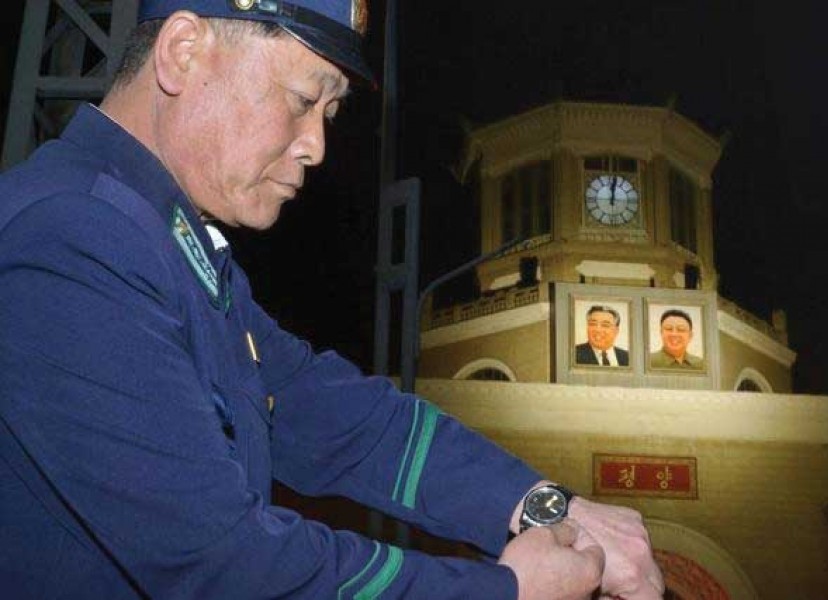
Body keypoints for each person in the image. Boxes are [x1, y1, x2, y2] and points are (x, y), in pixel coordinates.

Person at [0, 1, 664, 598]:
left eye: (332, 112)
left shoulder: (158, 239)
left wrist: (543, 505)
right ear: (183, 52)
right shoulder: (74, 239)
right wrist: (505, 591)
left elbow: (335, 417)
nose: (317, 146)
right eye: (301, 99)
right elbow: (225, 568)